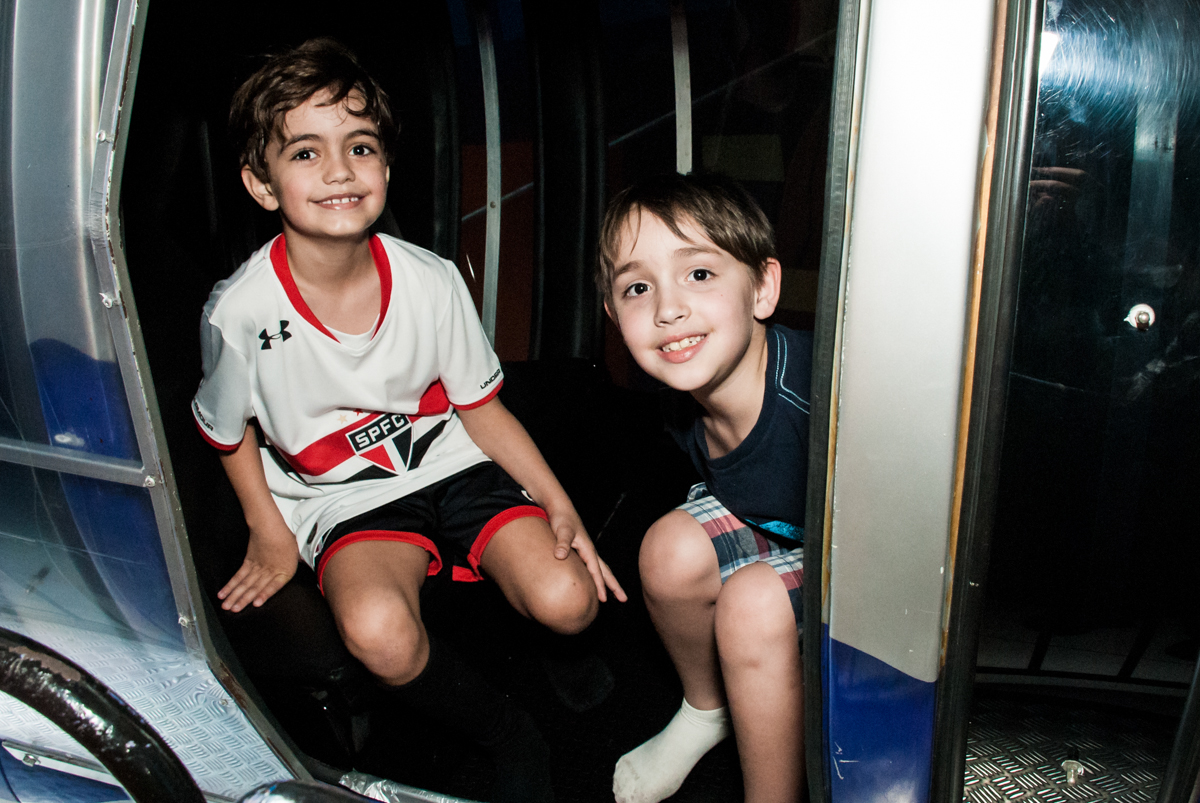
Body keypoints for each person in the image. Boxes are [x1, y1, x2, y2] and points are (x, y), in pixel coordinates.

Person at [191, 38, 625, 803]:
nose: (338, 170)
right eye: (304, 152)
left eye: (359, 146)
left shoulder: (428, 280)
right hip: (344, 498)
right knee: (379, 635)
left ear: (385, 167)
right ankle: (506, 731)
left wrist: (559, 505)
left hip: (453, 463)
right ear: (261, 185)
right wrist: (269, 528)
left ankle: (558, 647)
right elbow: (227, 432)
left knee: (569, 600)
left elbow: (480, 410)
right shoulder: (239, 312)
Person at [597, 173, 810, 803]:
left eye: (699, 274)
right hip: (780, 525)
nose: (667, 308)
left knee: (752, 606)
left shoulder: (821, 401)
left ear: (763, 288)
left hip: (871, 548)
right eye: (638, 287)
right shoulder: (675, 400)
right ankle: (705, 709)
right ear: (614, 315)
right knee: (668, 551)